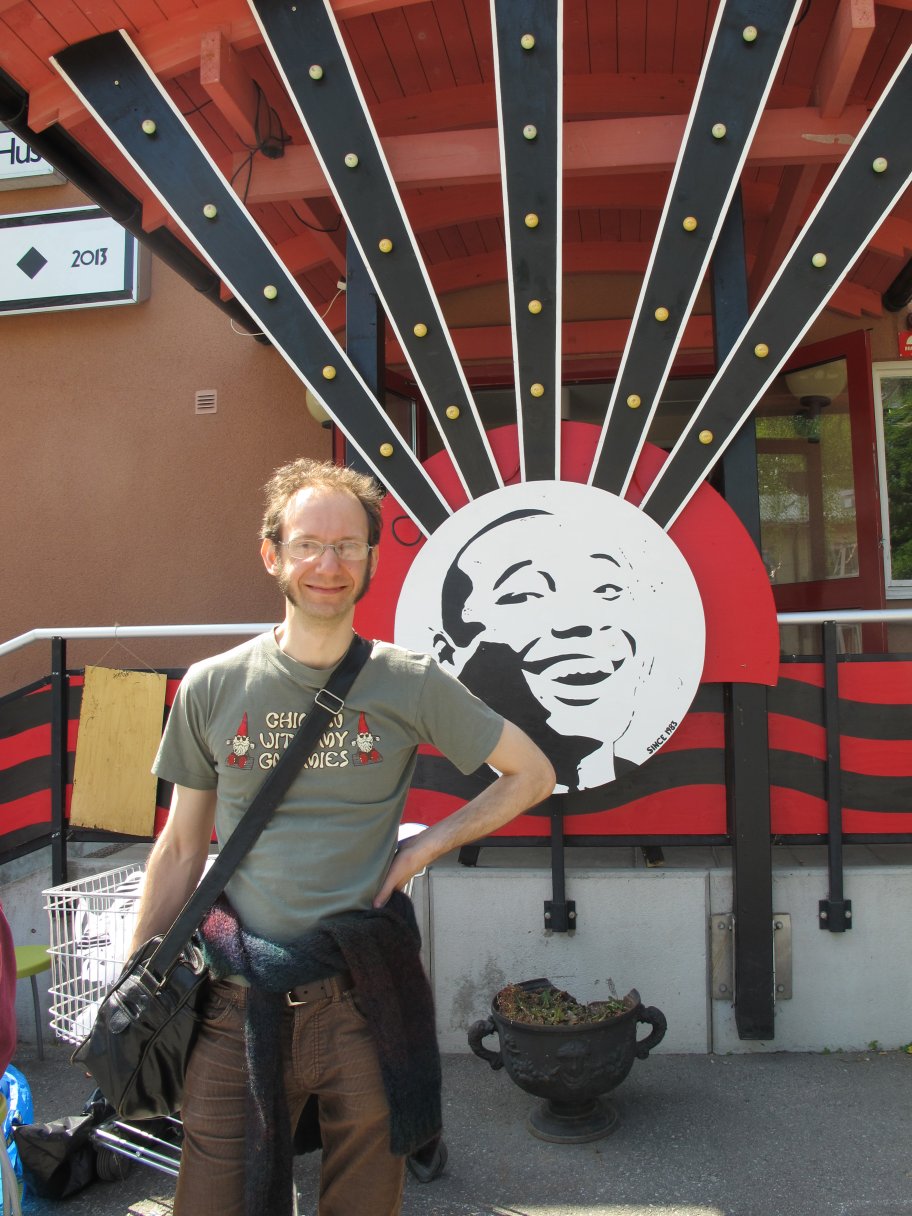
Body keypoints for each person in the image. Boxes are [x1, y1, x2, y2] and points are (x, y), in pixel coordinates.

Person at [128, 457, 555, 1216]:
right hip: (234, 1004)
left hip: (362, 1001)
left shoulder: (408, 681)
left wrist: (422, 849)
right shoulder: (212, 685)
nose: (329, 565)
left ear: (370, 560)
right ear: (272, 555)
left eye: (347, 546)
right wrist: (135, 979)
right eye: (308, 545)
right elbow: (183, 846)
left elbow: (532, 773)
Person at [431, 507, 649, 791]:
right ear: (448, 655)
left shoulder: (667, 788)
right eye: (524, 594)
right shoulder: (435, 792)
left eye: (606, 590)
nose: (579, 622)